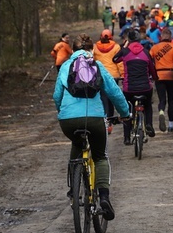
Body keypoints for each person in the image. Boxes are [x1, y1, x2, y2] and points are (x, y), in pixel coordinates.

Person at [54, 33, 130, 220]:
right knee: (100, 156)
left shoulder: (65, 66)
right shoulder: (97, 66)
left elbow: (57, 96)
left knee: (77, 143)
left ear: (73, 50)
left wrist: (63, 112)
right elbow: (114, 92)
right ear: (91, 50)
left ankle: (74, 189)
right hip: (95, 119)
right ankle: (103, 197)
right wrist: (125, 113)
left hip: (68, 120)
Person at [113, 29, 158, 145]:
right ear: (139, 40)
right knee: (148, 105)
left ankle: (127, 137)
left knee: (127, 110)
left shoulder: (125, 52)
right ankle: (148, 125)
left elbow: (114, 59)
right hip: (145, 87)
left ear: (129, 40)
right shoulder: (146, 52)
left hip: (129, 88)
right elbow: (153, 70)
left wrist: (124, 46)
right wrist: (155, 78)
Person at [93, 29, 124, 134]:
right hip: (113, 76)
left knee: (103, 98)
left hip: (100, 76)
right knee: (112, 98)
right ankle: (110, 122)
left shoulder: (95, 48)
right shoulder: (116, 47)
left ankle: (105, 121)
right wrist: (122, 74)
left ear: (101, 36)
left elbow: (92, 61)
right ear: (111, 37)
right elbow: (120, 63)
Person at [149, 28, 173, 132]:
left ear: (161, 37)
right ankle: (171, 125)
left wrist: (151, 71)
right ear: (170, 37)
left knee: (162, 99)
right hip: (171, 74)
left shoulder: (154, 47)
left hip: (159, 75)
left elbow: (149, 59)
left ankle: (161, 111)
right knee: (171, 100)